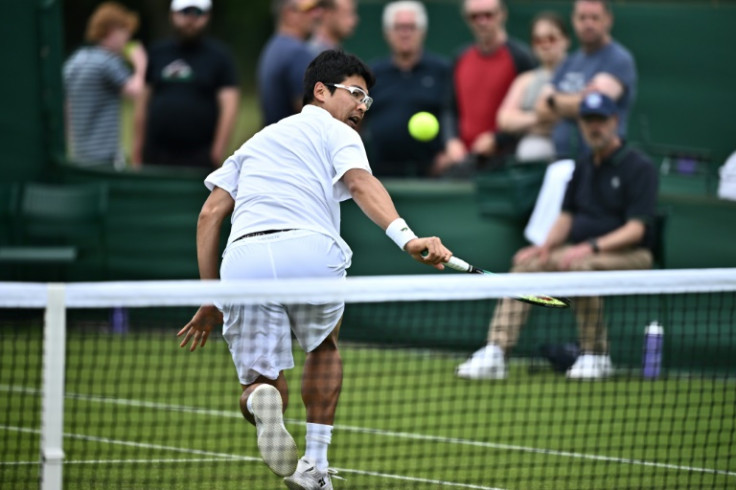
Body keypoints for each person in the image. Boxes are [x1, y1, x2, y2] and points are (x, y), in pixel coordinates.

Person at [177, 50, 453, 489]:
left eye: (368, 99)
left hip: (244, 260)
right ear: (320, 92)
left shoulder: (255, 141)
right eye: (356, 93)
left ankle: (262, 399)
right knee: (323, 347)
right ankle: (315, 468)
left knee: (264, 385)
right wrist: (408, 238)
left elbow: (210, 214)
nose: (363, 106)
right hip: (309, 251)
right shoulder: (335, 130)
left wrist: (211, 296)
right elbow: (362, 183)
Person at [456, 92, 658, 380]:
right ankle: (496, 352)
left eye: (600, 120)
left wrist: (591, 246)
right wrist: (544, 247)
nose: (594, 127)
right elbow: (566, 216)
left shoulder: (639, 167)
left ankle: (595, 354)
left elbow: (636, 229)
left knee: (580, 267)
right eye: (588, 121)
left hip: (632, 254)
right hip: (580, 250)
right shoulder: (583, 166)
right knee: (525, 267)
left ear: (614, 121)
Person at [132, 0, 240, 169]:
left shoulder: (220, 57)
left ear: (207, 16)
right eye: (184, 13)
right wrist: (137, 148)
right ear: (173, 15)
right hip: (156, 155)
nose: (190, 19)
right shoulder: (157, 53)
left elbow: (229, 106)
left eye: (197, 13)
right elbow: (142, 102)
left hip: (200, 157)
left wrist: (218, 151)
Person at [441, 0, 536, 175]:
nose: (482, 21)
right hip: (465, 162)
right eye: (474, 16)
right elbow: (450, 108)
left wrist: (498, 139)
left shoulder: (521, 57)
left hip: (507, 163)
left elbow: (531, 113)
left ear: (502, 15)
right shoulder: (460, 58)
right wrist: (451, 141)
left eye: (488, 15)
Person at [535, 0, 637, 161]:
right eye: (582, 18)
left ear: (608, 20)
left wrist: (553, 100)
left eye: (595, 18)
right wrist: (573, 101)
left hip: (601, 160)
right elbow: (541, 109)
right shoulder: (569, 62)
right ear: (573, 20)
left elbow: (594, 104)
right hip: (561, 160)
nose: (588, 24)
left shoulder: (618, 59)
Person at [360, 1, 452, 178]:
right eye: (398, 27)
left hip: (433, 176)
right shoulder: (372, 74)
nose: (405, 34)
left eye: (411, 27)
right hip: (381, 174)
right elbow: (357, 120)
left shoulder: (443, 71)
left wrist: (448, 153)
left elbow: (456, 114)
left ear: (422, 31)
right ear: (387, 33)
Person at [63, 2, 147, 168]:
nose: (127, 39)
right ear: (112, 31)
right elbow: (136, 91)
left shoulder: (75, 60)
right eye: (125, 32)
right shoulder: (107, 61)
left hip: (79, 154)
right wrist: (140, 64)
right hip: (105, 157)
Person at [496, 12, 570, 163]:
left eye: (551, 38)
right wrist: (538, 118)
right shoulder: (525, 80)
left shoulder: (577, 72)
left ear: (565, 40)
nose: (546, 45)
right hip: (534, 158)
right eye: (538, 40)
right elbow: (504, 119)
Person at [257, 0, 324, 127]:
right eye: (309, 9)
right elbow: (314, 115)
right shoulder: (298, 53)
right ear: (289, 14)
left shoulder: (273, 47)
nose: (317, 14)